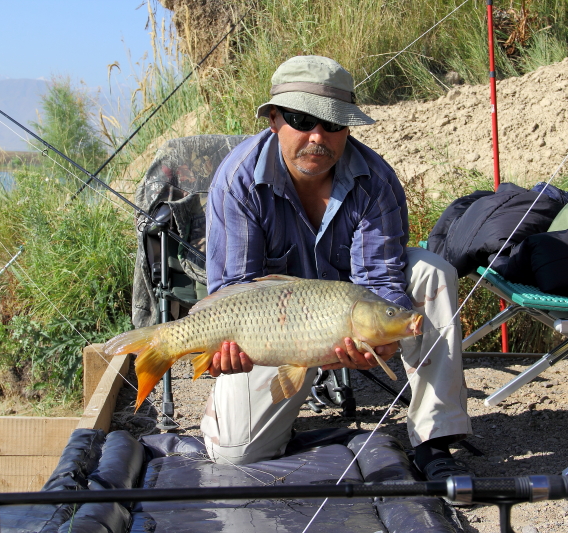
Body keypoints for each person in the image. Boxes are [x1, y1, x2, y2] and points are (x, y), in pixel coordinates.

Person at [201, 55, 472, 481]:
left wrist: (380, 342)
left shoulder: (375, 179)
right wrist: (226, 353)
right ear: (273, 119)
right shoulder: (237, 180)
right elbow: (237, 288)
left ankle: (433, 438)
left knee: (432, 272)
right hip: (274, 323)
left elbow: (380, 278)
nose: (317, 136)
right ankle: (306, 430)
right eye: (301, 119)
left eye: (333, 124)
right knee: (236, 457)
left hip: (348, 308)